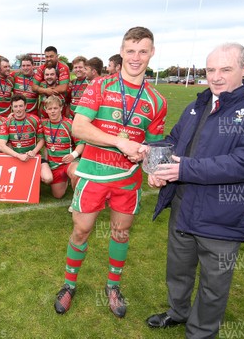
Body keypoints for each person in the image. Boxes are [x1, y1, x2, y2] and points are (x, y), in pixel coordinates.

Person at [145, 43, 244, 338]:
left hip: (223, 215)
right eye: (210, 70)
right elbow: (173, 140)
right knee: (177, 271)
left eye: (225, 69)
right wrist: (154, 164)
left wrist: (183, 170)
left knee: (214, 284)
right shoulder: (198, 104)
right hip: (183, 207)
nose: (216, 77)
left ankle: (201, 332)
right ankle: (177, 312)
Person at [54, 26, 167, 319]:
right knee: (81, 231)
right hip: (93, 174)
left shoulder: (157, 101)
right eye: (131, 51)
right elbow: (79, 127)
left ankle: (113, 287)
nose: (136, 57)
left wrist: (154, 170)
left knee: (121, 232)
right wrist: (119, 141)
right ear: (122, 51)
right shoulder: (100, 86)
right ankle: (69, 284)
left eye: (143, 51)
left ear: (152, 53)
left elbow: (153, 148)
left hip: (128, 180)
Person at [40, 96, 84, 199]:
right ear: (46, 110)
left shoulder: (69, 124)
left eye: (55, 108)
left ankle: (76, 201)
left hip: (69, 162)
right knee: (58, 195)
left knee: (75, 173)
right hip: (54, 165)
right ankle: (66, 179)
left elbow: (81, 143)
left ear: (61, 108)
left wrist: (73, 155)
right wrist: (11, 116)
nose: (53, 111)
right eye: (50, 109)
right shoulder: (44, 124)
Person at [0, 94, 44, 162]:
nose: (18, 109)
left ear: (25, 106)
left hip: (32, 157)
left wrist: (34, 152)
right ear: (11, 107)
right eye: (15, 106)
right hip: (14, 158)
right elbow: (1, 146)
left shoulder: (34, 119)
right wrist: (19, 156)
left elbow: (41, 140)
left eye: (21, 106)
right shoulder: (7, 122)